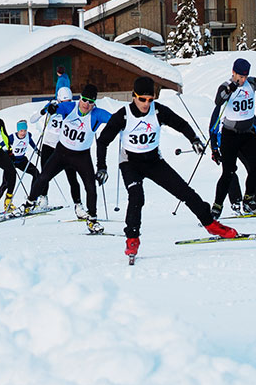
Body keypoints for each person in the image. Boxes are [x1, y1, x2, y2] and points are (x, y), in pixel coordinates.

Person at [97, 76, 236, 262]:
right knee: (137, 197)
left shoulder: (158, 111)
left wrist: (193, 139)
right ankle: (132, 239)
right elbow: (103, 141)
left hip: (154, 161)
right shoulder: (123, 116)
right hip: (130, 163)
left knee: (184, 191)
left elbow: (181, 124)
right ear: (134, 96)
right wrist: (102, 166)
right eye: (142, 99)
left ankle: (210, 224)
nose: (146, 104)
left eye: (150, 99)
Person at [23, 84, 109, 232]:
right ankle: (29, 203)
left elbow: (115, 119)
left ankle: (92, 219)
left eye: (90, 102)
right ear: (80, 98)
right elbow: (57, 108)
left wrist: (124, 121)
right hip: (61, 153)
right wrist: (51, 109)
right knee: (43, 177)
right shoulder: (70, 107)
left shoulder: (97, 114)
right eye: (84, 100)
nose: (86, 104)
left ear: (94, 103)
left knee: (90, 187)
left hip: (81, 156)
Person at [208, 57, 256, 216]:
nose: (243, 79)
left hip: (248, 134)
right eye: (240, 76)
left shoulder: (251, 83)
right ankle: (217, 207)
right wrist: (229, 90)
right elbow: (218, 101)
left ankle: (249, 200)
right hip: (230, 135)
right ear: (233, 73)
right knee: (228, 172)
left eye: (245, 76)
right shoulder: (226, 86)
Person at [36, 89, 85, 209]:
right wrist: (43, 111)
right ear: (58, 100)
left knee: (72, 176)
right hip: (48, 144)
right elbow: (33, 119)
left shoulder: (74, 109)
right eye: (63, 102)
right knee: (44, 174)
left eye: (68, 101)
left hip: (65, 146)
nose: (65, 105)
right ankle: (43, 198)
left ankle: (78, 204)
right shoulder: (53, 107)